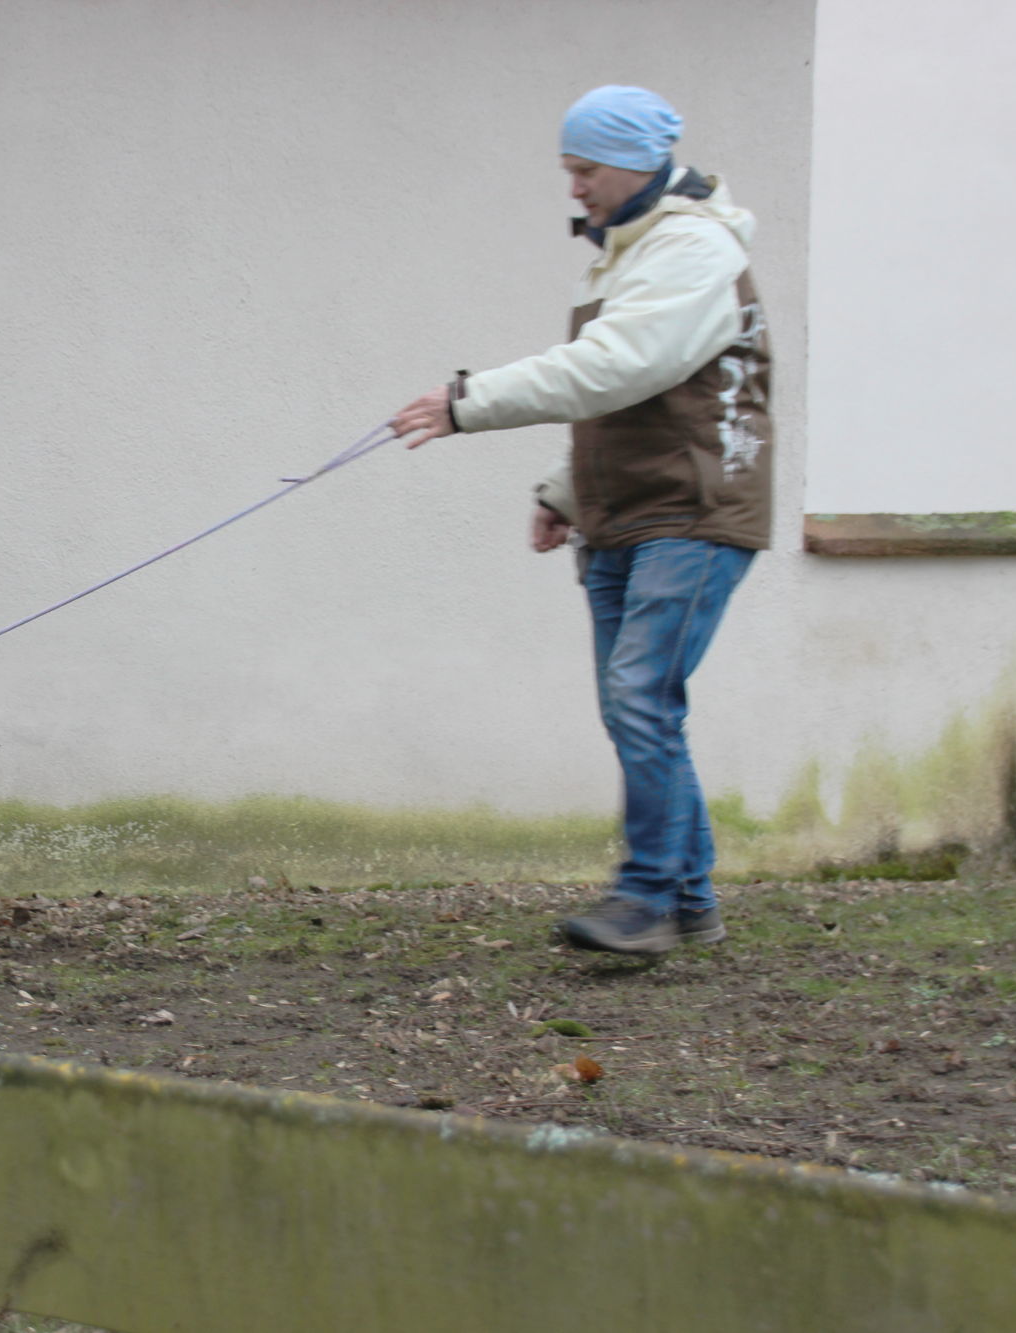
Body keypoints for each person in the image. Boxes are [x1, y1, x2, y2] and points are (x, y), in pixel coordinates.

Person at [390, 85, 772, 955]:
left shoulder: (690, 250)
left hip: (695, 512)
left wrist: (466, 402)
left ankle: (643, 901)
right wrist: (566, 491)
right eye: (570, 169)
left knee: (642, 697)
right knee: (638, 706)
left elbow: (615, 367)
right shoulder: (627, 253)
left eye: (585, 169)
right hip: (627, 514)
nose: (575, 187)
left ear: (635, 162)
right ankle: (688, 900)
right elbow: (632, 396)